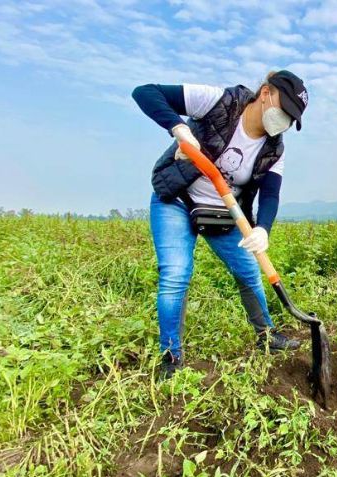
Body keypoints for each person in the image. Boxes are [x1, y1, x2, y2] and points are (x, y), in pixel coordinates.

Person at [132, 70, 309, 378]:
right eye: (285, 110)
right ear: (266, 93)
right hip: (177, 200)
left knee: (249, 272)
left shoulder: (273, 149)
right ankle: (171, 357)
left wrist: (263, 229)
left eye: (291, 118)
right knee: (176, 274)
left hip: (222, 213)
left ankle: (267, 336)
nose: (284, 121)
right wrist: (177, 127)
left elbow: (270, 194)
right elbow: (144, 92)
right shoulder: (219, 102)